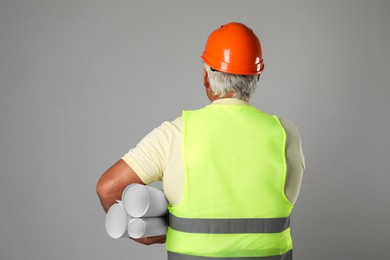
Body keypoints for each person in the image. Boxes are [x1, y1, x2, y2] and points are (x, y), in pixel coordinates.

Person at [97, 22, 304, 259]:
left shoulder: (175, 134)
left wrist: (142, 233)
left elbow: (108, 187)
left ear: (206, 78)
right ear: (256, 77)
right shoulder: (286, 133)